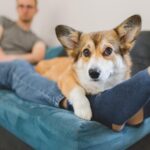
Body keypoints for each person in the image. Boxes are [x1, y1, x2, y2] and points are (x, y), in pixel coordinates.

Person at [0, 0, 150, 132]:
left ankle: (116, 106)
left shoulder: (36, 40)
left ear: (35, 10)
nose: (25, 9)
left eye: (29, 6)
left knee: (23, 67)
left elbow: (38, 56)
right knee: (17, 66)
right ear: (16, 7)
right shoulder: (4, 23)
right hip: (9, 67)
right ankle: (101, 106)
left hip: (31, 67)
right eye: (21, 6)